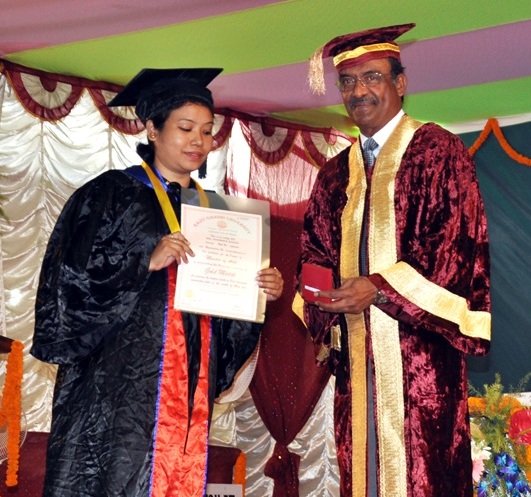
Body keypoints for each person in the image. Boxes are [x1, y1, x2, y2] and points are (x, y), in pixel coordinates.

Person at [30, 68, 284, 497]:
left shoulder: (220, 213)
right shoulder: (110, 193)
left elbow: (226, 321)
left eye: (206, 132)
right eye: (185, 128)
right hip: (118, 385)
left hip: (188, 386)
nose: (198, 142)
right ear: (151, 128)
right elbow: (66, 281)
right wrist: (141, 262)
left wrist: (257, 292)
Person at [292, 24, 491, 497]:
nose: (359, 91)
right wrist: (319, 295)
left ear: (400, 83)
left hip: (421, 367)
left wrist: (378, 287)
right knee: (360, 474)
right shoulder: (334, 173)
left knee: (423, 476)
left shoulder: (438, 151)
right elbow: (313, 251)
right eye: (347, 82)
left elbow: (456, 249)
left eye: (372, 77)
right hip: (356, 369)